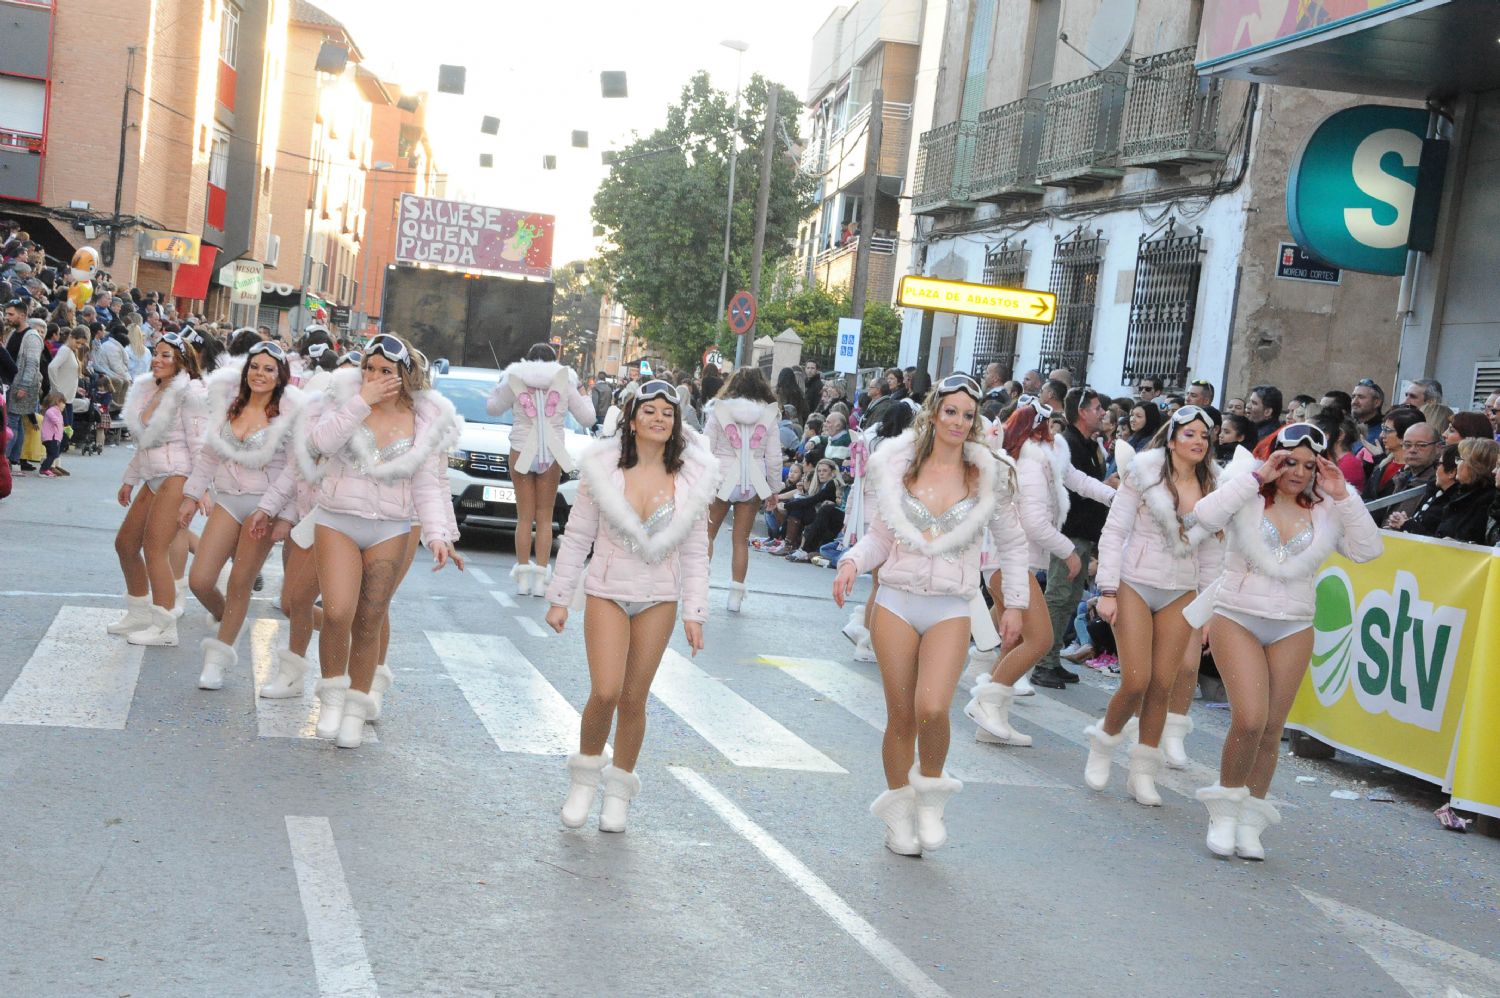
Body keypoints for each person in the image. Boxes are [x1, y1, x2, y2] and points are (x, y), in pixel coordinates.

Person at [833, 373, 1028, 857]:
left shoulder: (988, 475)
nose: (959, 421)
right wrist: (853, 561)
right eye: (951, 411)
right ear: (933, 413)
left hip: (952, 606)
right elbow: (880, 537)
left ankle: (931, 795)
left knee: (934, 708)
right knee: (901, 717)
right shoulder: (898, 467)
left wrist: (1016, 604)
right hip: (896, 601)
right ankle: (899, 815)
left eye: (968, 414)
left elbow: (1013, 543)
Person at [1190, 423, 1382, 860]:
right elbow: (1203, 516)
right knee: (1250, 719)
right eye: (1289, 461)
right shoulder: (1247, 496)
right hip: (1236, 616)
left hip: (1294, 624)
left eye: (1308, 465)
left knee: (1273, 728)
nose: (1298, 472)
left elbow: (1369, 550)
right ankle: (1224, 810)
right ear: (1272, 458)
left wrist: (1343, 493)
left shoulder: (1328, 508)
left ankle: (1251, 821)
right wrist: (1257, 476)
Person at [545, 380, 716, 832]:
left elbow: (697, 552)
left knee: (635, 699)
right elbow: (577, 537)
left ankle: (618, 794)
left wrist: (695, 613)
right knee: (605, 691)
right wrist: (560, 598)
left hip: (659, 598)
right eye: (650, 411)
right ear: (632, 419)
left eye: (667, 413)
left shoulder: (693, 480)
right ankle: (583, 781)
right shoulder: (601, 470)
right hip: (606, 591)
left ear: (677, 423)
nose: (659, 419)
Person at [295, 334, 463, 748]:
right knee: (336, 612)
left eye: (385, 371)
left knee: (370, 619)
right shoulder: (346, 400)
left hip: (390, 527)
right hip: (337, 520)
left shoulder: (424, 420)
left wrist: (440, 535)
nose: (374, 376)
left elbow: (428, 484)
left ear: (404, 376)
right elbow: (320, 444)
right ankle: (331, 694)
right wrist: (360, 402)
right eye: (368, 368)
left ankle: (355, 708)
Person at [1086, 406, 1223, 803]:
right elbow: (1114, 532)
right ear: (1172, 437)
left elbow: (1215, 551)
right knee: (1136, 680)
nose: (1198, 441)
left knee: (1164, 683)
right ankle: (1104, 742)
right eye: (1190, 434)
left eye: (1204, 435)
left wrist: (1207, 611)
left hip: (1182, 591)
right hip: (1134, 583)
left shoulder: (1214, 483)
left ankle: (1142, 771)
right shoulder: (1143, 473)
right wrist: (1108, 590)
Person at [966, 398, 1114, 746]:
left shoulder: (1042, 456)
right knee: (1041, 639)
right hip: (1009, 562)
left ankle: (991, 719)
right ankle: (987, 703)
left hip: (1007, 561)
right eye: (1050, 425)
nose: (1056, 432)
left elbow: (1076, 479)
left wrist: (1115, 497)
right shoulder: (1031, 463)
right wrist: (1068, 551)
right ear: (1037, 427)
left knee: (1014, 639)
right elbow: (1033, 523)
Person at [178, 341, 305, 688]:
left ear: (280, 376)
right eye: (254, 366)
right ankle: (229, 618)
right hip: (228, 501)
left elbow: (296, 472)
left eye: (268, 369)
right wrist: (191, 495)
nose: (259, 374)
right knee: (200, 579)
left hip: (264, 507)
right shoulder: (230, 406)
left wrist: (281, 515)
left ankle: (217, 659)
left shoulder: (290, 416)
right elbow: (209, 456)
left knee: (240, 583)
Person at [108, 332, 206, 645]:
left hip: (177, 474)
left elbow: (200, 444)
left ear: (180, 359)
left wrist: (200, 491)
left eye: (166, 355)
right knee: (125, 544)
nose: (157, 360)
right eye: (156, 353)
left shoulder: (189, 392)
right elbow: (144, 443)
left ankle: (165, 625)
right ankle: (139, 611)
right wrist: (129, 479)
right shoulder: (148, 388)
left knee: (154, 547)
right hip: (151, 474)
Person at [487, 343, 597, 596]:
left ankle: (523, 578)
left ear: (528, 359)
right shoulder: (565, 382)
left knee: (524, 517)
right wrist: (583, 392)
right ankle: (540, 580)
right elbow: (588, 418)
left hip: (520, 449)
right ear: (555, 360)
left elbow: (493, 408)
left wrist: (498, 387)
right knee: (545, 518)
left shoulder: (515, 378)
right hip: (553, 452)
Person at [1033, 388, 1111, 689]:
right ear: (1081, 411)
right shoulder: (1067, 444)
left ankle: (1049, 659)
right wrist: (1108, 488)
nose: (1102, 413)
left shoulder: (1089, 444)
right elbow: (1075, 484)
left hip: (1083, 534)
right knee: (1058, 597)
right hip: (1069, 534)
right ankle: (1043, 662)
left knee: (1066, 601)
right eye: (1097, 407)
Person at [704, 368, 781, 612]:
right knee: (741, 540)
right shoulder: (769, 414)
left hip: (721, 479)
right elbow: (774, 457)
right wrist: (774, 489)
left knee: (706, 536)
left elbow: (706, 447)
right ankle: (735, 597)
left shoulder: (719, 409)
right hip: (753, 483)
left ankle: (699, 588)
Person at [1395, 438, 1497, 543]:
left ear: (1475, 466)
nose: (1457, 464)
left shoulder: (1486, 501)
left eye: (1460, 460)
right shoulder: (1460, 494)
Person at [1386, 444, 1459, 537]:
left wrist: (1406, 524)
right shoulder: (1436, 492)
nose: (1435, 469)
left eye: (1438, 464)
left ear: (1451, 472)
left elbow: (1436, 540)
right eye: (1407, 445)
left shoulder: (1453, 503)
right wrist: (1404, 522)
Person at [1350, 379, 1386, 451]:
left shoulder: (1384, 433)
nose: (1354, 401)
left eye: (1361, 397)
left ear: (1377, 402)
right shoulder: (1347, 428)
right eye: (1353, 397)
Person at [37, 392, 65, 477]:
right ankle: (43, 470)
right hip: (51, 437)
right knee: (53, 454)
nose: (64, 405)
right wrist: (58, 422)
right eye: (63, 402)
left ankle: (45, 468)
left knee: (51, 454)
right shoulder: (53, 410)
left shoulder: (56, 411)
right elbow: (51, 415)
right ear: (57, 402)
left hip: (52, 437)